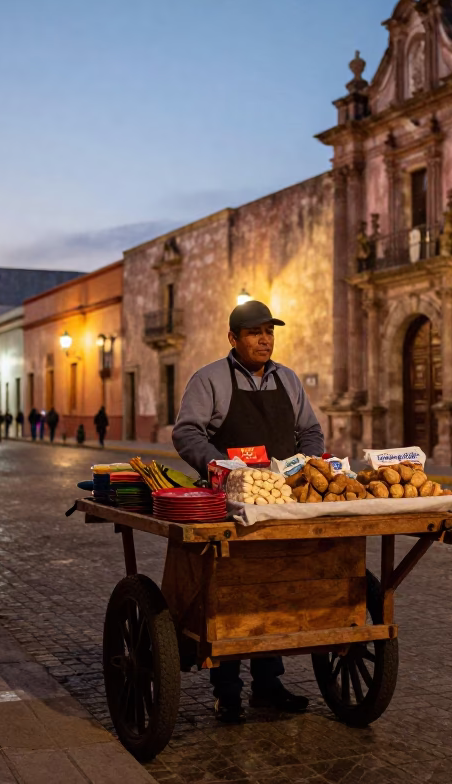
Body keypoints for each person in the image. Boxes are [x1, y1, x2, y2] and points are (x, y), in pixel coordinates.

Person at [172, 299, 323, 723]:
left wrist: (305, 466)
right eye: (255, 333)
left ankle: (269, 685)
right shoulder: (210, 380)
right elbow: (186, 432)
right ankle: (227, 691)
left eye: (269, 332)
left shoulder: (288, 379)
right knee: (228, 593)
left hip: (280, 505)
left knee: (272, 591)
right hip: (230, 504)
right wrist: (220, 467)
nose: (265, 339)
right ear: (233, 339)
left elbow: (309, 430)